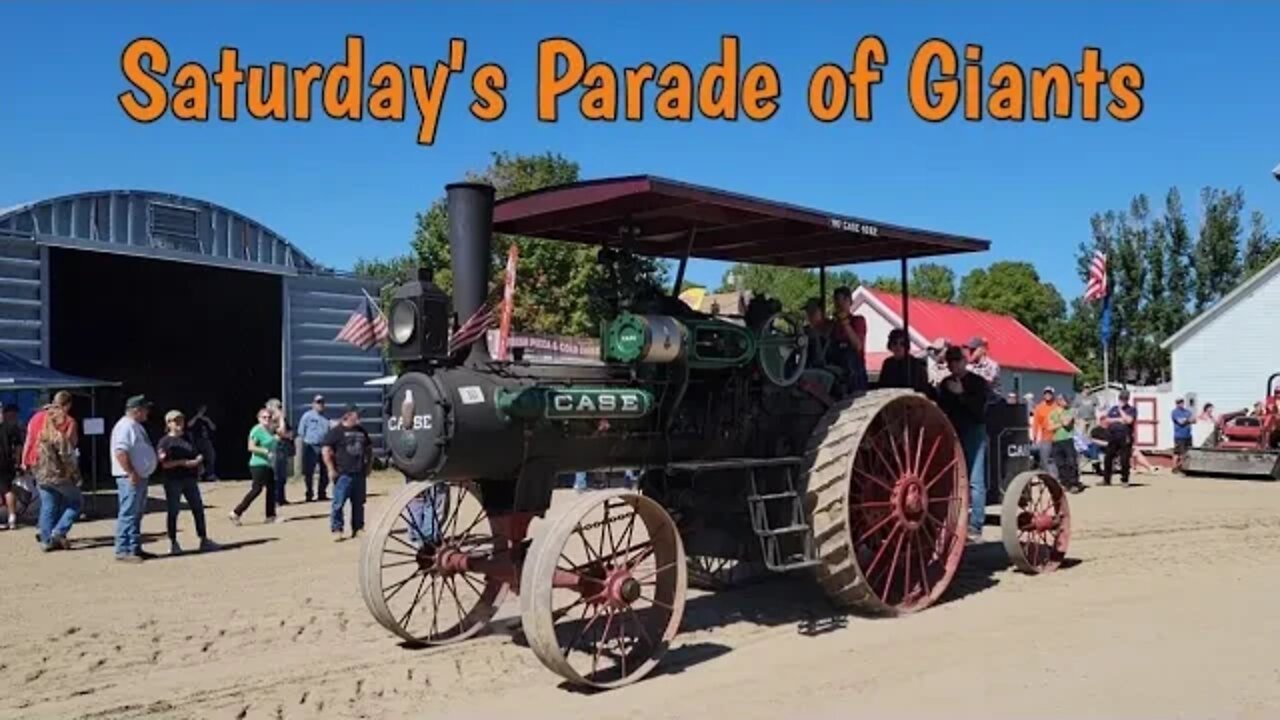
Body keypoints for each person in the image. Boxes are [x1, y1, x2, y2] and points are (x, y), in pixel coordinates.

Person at [936, 346, 989, 543]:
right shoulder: (944, 383)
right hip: (952, 431)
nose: (953, 365)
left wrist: (960, 394)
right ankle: (954, 523)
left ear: (965, 361)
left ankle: (975, 526)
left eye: (957, 361)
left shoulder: (977, 383)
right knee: (953, 479)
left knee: (975, 480)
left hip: (974, 430)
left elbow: (979, 412)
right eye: (950, 362)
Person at [156, 410, 219, 555]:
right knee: (173, 511)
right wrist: (183, 462)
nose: (179, 423)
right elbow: (164, 464)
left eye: (181, 420)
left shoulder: (188, 438)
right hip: (173, 481)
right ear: (168, 424)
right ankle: (173, 542)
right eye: (175, 421)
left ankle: (203, 539)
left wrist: (198, 461)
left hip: (190, 479)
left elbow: (195, 453)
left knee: (198, 509)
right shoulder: (165, 442)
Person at [110, 395, 159, 563]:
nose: (148, 412)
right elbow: (120, 452)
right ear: (136, 410)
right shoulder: (125, 426)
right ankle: (123, 549)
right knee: (129, 513)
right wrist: (131, 472)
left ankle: (134, 547)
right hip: (129, 477)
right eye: (145, 409)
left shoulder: (135, 426)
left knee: (136, 513)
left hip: (139, 476)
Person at [30, 395, 82, 551]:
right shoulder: (59, 438)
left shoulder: (42, 436)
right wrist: (76, 476)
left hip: (41, 474)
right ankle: (59, 532)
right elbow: (68, 458)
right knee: (76, 502)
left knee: (48, 505)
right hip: (58, 475)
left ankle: (46, 540)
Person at [322, 404, 372, 542]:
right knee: (338, 503)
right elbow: (326, 451)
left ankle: (358, 528)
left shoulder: (362, 431)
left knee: (359, 503)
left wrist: (369, 466)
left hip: (359, 473)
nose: (360, 417)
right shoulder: (336, 432)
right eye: (357, 414)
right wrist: (331, 469)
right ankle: (337, 529)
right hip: (343, 474)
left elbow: (369, 449)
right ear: (348, 415)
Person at [230, 407, 279, 526]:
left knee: (272, 489)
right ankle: (236, 512)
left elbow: (281, 429)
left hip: (268, 464)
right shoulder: (256, 430)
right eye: (264, 417)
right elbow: (250, 447)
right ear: (259, 419)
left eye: (269, 417)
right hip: (258, 464)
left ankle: (270, 516)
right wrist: (265, 451)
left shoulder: (270, 430)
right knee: (257, 489)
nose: (267, 419)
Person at [830, 287, 869, 392]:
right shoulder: (832, 325)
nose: (839, 304)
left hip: (854, 373)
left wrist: (845, 323)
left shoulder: (858, 321)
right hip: (836, 373)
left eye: (842, 300)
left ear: (849, 301)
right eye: (836, 301)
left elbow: (858, 346)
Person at [876, 328, 932, 398]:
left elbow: (922, 390)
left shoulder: (916, 364)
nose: (898, 346)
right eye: (895, 343)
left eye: (902, 343)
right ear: (890, 345)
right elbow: (882, 387)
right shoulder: (888, 363)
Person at [297, 394, 331, 502]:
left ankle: (322, 493)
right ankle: (309, 494)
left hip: (324, 446)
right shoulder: (307, 416)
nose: (320, 404)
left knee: (324, 471)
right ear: (313, 404)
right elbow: (301, 432)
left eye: (322, 402)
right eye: (318, 402)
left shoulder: (326, 418)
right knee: (309, 472)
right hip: (311, 446)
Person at [1049, 394, 1085, 493]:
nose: (1063, 401)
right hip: (1056, 440)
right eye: (1060, 399)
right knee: (1060, 463)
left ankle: (1074, 483)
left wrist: (1059, 418)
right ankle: (1065, 483)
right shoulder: (1052, 413)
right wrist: (1060, 422)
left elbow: (1066, 423)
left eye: (1064, 399)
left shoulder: (1071, 411)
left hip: (1068, 439)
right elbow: (1050, 427)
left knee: (1071, 462)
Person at [1101, 389, 1137, 487]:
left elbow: (1129, 420)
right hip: (1113, 436)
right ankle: (1106, 479)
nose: (1122, 400)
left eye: (1125, 399)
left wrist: (1121, 411)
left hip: (1125, 436)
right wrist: (1119, 419)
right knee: (1108, 457)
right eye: (1121, 398)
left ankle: (1124, 480)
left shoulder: (1131, 409)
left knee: (1124, 459)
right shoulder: (1113, 409)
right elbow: (1107, 420)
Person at [266, 398, 295, 505]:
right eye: (278, 407)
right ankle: (275, 499)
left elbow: (290, 433)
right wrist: (281, 417)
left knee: (283, 475)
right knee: (276, 475)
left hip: (283, 449)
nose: (280, 409)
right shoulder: (270, 421)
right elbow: (282, 432)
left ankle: (282, 498)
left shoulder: (283, 421)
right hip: (275, 449)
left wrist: (286, 435)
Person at [0, 404, 22, 530]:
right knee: (8, 490)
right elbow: (18, 447)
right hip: (7, 462)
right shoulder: (12, 427)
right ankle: (12, 518)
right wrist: (18, 462)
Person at [1031, 387, 1058, 477]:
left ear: (1053, 394)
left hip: (1058, 437)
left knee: (1057, 459)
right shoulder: (1039, 407)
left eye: (1049, 393)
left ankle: (1057, 478)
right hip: (1045, 437)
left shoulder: (1057, 406)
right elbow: (1036, 424)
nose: (1048, 395)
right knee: (1045, 459)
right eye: (1046, 393)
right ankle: (1049, 478)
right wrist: (1034, 437)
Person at [187, 404, 217, 481]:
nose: (203, 410)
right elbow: (188, 425)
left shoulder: (207, 417)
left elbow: (213, 428)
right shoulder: (194, 417)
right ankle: (198, 475)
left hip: (206, 440)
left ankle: (210, 474)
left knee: (211, 456)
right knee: (197, 458)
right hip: (196, 440)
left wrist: (207, 420)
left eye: (204, 409)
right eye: (201, 409)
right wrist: (197, 417)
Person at [1171, 397, 1194, 472]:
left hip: (1188, 435)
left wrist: (1187, 420)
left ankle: (1181, 466)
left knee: (1187, 452)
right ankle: (1175, 467)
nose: (1180, 404)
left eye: (1181, 402)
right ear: (1176, 404)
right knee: (1178, 452)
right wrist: (1188, 420)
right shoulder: (1174, 412)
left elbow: (1194, 420)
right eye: (1179, 403)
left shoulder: (1187, 411)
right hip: (1179, 436)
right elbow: (1180, 422)